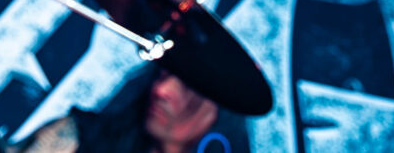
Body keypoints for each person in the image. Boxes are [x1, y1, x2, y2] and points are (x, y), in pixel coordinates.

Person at [14, 71, 250, 153]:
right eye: (164, 74)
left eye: (189, 87)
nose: (162, 89)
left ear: (217, 114)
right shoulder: (80, 136)